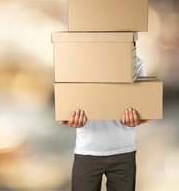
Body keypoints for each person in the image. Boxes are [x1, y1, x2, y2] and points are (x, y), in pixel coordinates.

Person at [59, 57, 152, 191]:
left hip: (123, 152)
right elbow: (68, 101)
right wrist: (71, 117)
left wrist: (137, 118)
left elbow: (140, 105)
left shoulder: (135, 62)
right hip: (87, 152)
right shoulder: (77, 60)